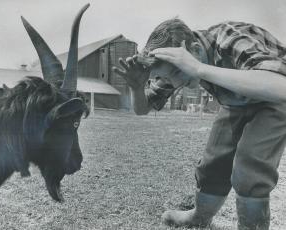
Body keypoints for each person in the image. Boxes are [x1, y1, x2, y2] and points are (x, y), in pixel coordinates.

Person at [113, 18, 286, 229]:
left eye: (177, 73)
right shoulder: (177, 63)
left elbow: (280, 87)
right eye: (169, 78)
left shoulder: (230, 38)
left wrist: (198, 68)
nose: (176, 84)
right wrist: (136, 88)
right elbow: (142, 109)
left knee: (250, 168)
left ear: (194, 49)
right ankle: (200, 216)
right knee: (212, 164)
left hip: (274, 100)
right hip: (235, 102)